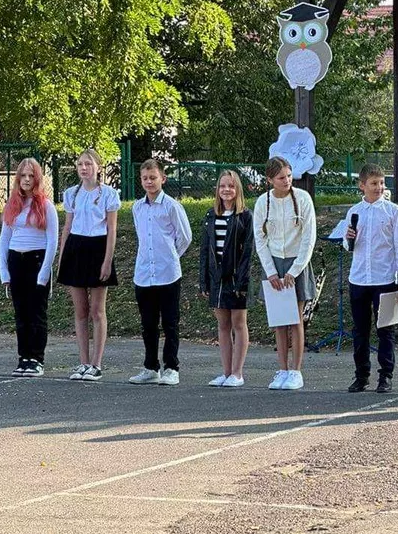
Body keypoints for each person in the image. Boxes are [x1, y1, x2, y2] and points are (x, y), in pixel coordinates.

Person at [343, 163, 398, 394]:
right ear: (362, 185)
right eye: (374, 183)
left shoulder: (392, 211)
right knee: (360, 331)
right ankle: (361, 376)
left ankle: (386, 376)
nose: (379, 187)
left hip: (385, 278)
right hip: (359, 279)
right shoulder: (354, 212)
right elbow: (347, 246)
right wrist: (348, 237)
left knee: (386, 331)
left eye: (381, 183)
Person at [253, 156, 316, 391]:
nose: (287, 181)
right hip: (273, 263)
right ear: (270, 180)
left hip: (296, 263)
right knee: (279, 320)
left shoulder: (303, 198)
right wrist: (270, 272)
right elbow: (260, 239)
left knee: (295, 318)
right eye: (281, 178)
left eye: (289, 176)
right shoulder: (263, 202)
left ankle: (296, 371)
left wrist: (295, 270)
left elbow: (308, 238)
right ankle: (282, 369)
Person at [57, 149, 120, 382]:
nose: (84, 168)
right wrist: (62, 257)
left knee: (97, 310)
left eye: (88, 164)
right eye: (80, 164)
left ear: (98, 167)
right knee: (80, 310)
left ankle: (96, 364)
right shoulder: (71, 194)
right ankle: (83, 362)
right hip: (76, 248)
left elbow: (111, 229)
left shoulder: (109, 194)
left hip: (98, 248)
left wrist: (107, 261)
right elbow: (67, 226)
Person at [128, 159, 192, 387]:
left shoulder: (172, 206)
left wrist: (171, 256)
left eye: (153, 178)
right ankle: (150, 367)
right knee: (148, 324)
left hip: (168, 274)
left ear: (162, 179)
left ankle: (171, 367)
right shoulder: (137, 207)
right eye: (145, 178)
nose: (149, 182)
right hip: (144, 274)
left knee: (170, 322)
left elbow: (185, 237)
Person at [0, 158, 59, 377]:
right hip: (17, 260)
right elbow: (4, 239)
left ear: (37, 179)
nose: (26, 180)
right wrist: (4, 271)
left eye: (31, 176)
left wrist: (44, 272)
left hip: (37, 259)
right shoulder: (12, 205)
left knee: (36, 313)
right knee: (21, 313)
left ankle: (36, 359)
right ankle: (23, 357)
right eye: (22, 176)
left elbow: (52, 240)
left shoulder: (46, 205)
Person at [199, 169, 254, 388]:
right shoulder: (210, 216)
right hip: (216, 278)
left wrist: (242, 280)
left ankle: (237, 373)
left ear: (237, 189)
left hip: (236, 277)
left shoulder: (245, 216)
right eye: (222, 186)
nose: (226, 190)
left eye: (231, 186)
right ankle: (227, 372)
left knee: (238, 323)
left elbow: (248, 251)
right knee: (222, 324)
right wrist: (204, 280)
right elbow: (205, 250)